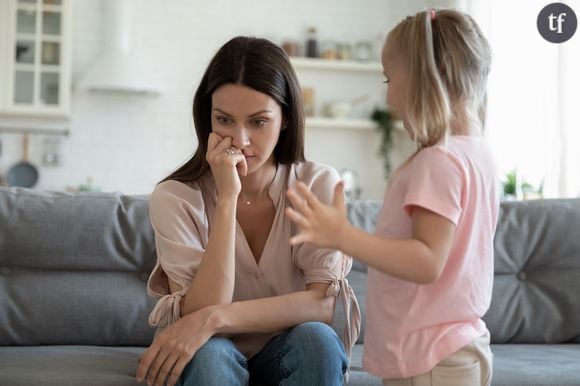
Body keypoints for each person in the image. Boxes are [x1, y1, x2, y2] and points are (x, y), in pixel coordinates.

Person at [286, 9, 498, 386]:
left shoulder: (440, 161)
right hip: (451, 349)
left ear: (424, 79)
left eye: (389, 78)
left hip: (429, 356)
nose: (387, 95)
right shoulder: (477, 154)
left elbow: (427, 260)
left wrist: (343, 237)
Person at [135, 36, 360, 386]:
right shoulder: (175, 197)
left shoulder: (318, 184)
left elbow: (321, 306)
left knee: (317, 340)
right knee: (210, 354)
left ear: (285, 118)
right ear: (207, 117)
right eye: (224, 120)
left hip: (288, 351)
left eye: (258, 122)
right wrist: (226, 200)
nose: (239, 140)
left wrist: (215, 319)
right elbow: (198, 310)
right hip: (211, 355)